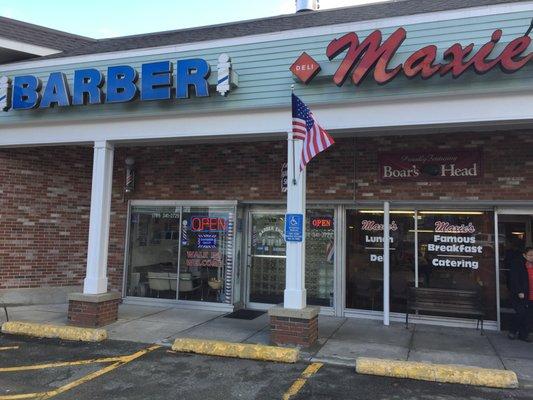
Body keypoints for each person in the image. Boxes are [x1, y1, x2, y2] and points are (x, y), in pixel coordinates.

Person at [508, 247, 533, 342]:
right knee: (520, 313)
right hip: (521, 295)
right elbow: (514, 279)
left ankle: (524, 334)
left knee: (529, 316)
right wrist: (519, 291)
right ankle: (513, 331)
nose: (532, 257)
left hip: (531, 294)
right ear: (524, 255)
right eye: (530, 255)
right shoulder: (518, 265)